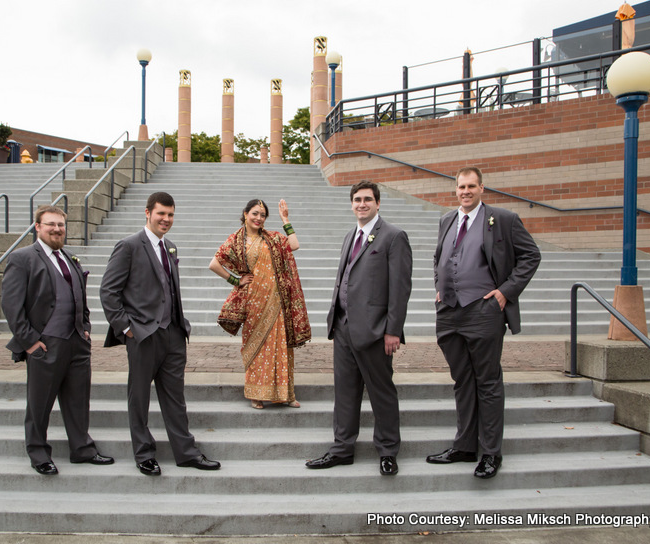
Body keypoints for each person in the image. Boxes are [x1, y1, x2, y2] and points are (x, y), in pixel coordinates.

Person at [426, 167, 541, 479]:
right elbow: (439, 258)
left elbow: (531, 256)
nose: (465, 191)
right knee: (463, 380)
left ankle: (490, 453)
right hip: (449, 312)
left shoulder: (503, 219)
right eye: (461, 186)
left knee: (487, 382)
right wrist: (439, 286)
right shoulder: (447, 219)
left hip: (483, 310)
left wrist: (505, 293)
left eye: (471, 186)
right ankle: (464, 445)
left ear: (481, 188)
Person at [99, 191, 220, 476]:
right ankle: (144, 454)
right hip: (142, 335)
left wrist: (179, 327)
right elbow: (108, 291)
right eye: (161, 214)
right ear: (148, 213)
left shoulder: (170, 248)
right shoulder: (128, 246)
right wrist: (127, 328)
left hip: (173, 335)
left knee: (175, 398)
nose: (166, 219)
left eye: (170, 215)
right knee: (138, 397)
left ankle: (186, 453)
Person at [306, 180, 412, 476]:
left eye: (367, 199)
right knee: (345, 392)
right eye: (357, 199)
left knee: (382, 392)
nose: (361, 204)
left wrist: (393, 330)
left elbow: (400, 288)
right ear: (352, 204)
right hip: (343, 329)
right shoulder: (350, 235)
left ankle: (388, 451)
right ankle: (342, 449)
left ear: (378, 203)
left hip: (376, 332)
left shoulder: (393, 237)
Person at [1, 205, 114, 476]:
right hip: (44, 343)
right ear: (37, 227)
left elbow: (80, 296)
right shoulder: (22, 258)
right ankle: (39, 453)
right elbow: (11, 305)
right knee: (39, 403)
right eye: (50, 224)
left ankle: (82, 449)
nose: (56, 229)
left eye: (61, 225)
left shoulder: (70, 258)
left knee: (78, 400)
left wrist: (85, 327)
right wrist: (29, 342)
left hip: (76, 342)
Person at [209, 199, 311, 410]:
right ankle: (257, 393)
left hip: (277, 302)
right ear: (245, 214)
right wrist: (236, 280)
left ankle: (287, 394)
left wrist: (285, 219)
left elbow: (294, 245)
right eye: (255, 213)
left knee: (281, 347)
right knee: (257, 348)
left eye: (263, 215)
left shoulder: (272, 238)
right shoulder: (236, 241)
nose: (258, 218)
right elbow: (214, 264)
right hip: (254, 303)